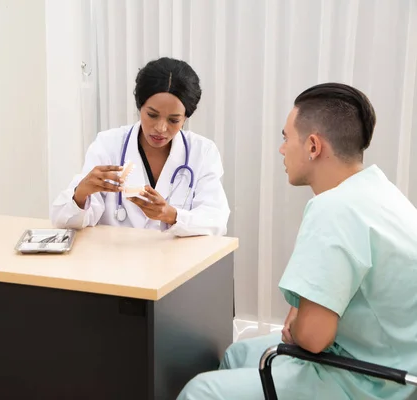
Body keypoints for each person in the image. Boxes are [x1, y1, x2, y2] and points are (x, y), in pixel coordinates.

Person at [177, 83, 417, 399]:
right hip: (389, 357)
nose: (282, 148)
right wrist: (304, 314)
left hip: (371, 380)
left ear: (313, 146)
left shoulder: (333, 209)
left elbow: (313, 337)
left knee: (201, 391)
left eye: (286, 137)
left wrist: (302, 321)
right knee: (238, 354)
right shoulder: (380, 191)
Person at [50, 57, 230, 237]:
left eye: (173, 120)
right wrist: (82, 193)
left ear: (185, 118)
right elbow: (62, 220)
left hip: (179, 262)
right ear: (139, 107)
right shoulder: (108, 144)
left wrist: (170, 215)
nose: (161, 128)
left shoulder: (203, 152)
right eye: (152, 115)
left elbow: (216, 221)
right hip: (115, 261)